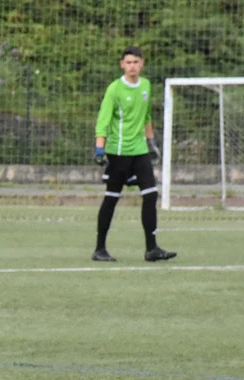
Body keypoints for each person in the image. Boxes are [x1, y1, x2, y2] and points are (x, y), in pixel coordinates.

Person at [92, 46, 176, 263]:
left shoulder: (146, 85)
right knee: (112, 198)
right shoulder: (114, 89)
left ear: (142, 63)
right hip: (119, 152)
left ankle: (152, 249)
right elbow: (103, 120)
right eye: (128, 62)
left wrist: (151, 143)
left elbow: (146, 117)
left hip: (140, 151)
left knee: (151, 194)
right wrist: (100, 148)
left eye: (136, 62)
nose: (132, 66)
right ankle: (100, 248)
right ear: (122, 65)